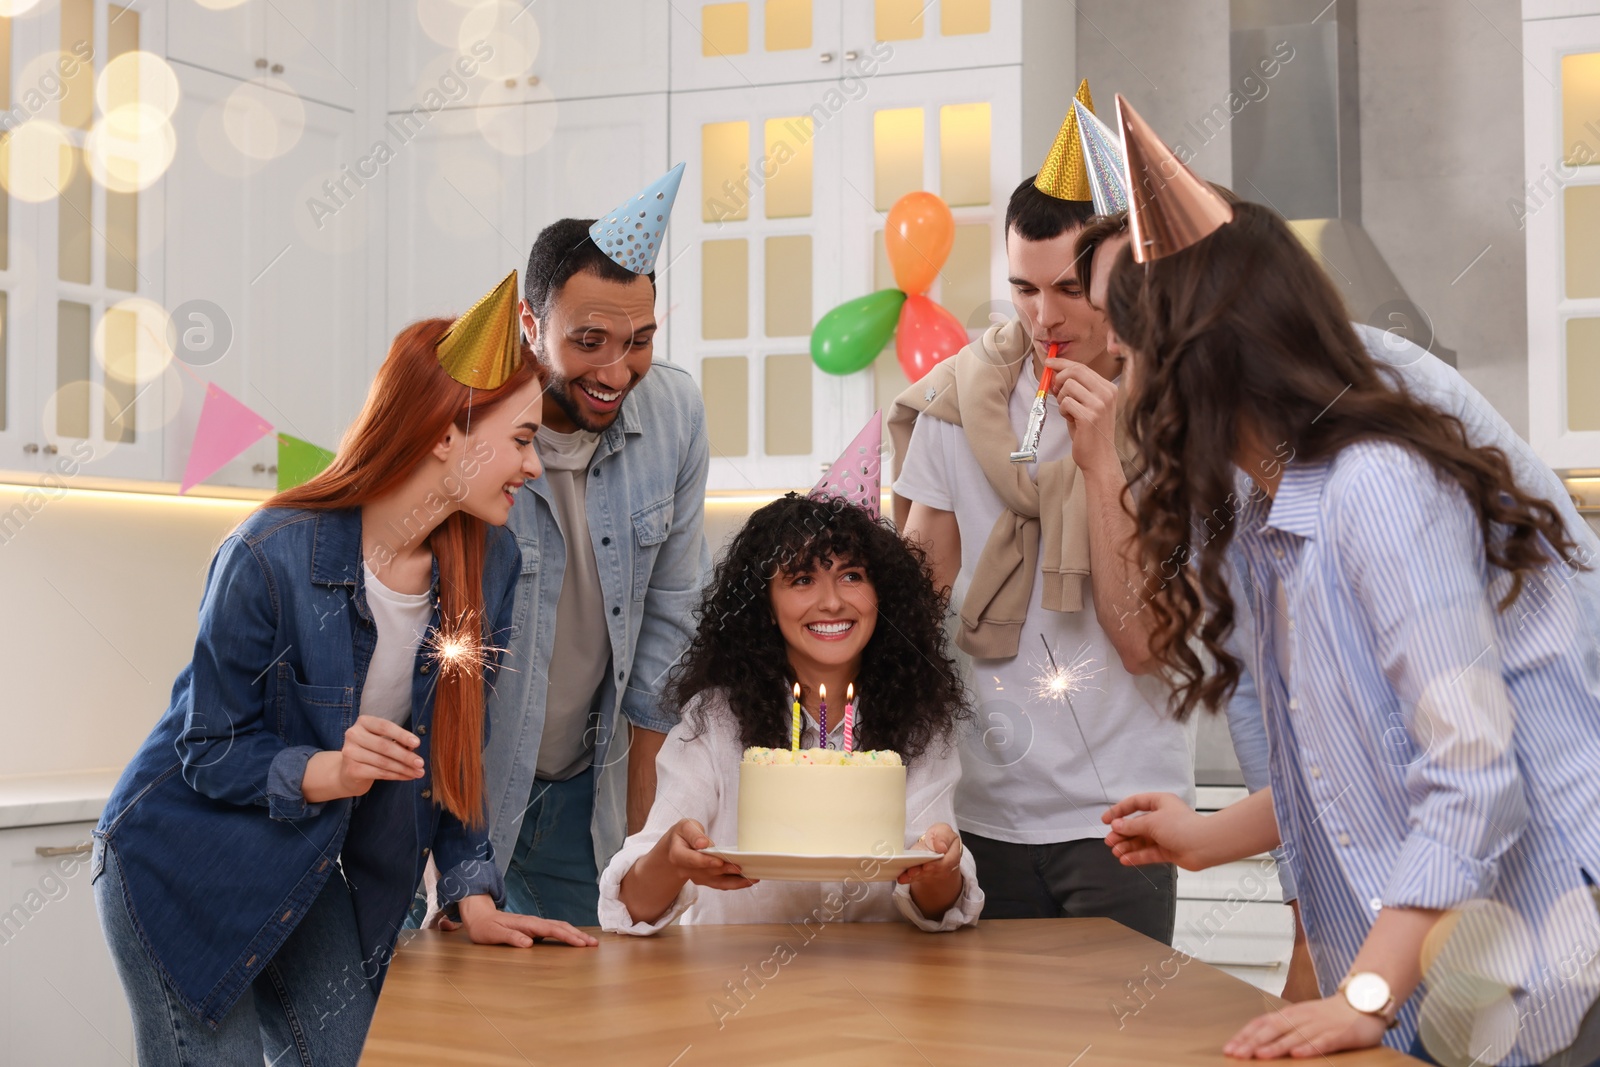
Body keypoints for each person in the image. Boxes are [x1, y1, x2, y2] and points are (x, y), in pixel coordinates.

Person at [1095, 97, 1600, 1064]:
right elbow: (1357, 758)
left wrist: (1364, 995)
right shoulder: (1265, 517)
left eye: (1133, 354)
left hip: (1547, 963)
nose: (1124, 385)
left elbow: (1469, 777)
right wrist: (1210, 835)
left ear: (1196, 357)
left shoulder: (1377, 489)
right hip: (1459, 985)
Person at [93, 274, 596, 1067]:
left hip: (302, 859)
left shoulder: (489, 560)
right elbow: (211, 748)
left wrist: (469, 886)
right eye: (523, 438)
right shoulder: (269, 552)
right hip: (181, 858)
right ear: (445, 434)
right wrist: (330, 768)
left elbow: (460, 740)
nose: (534, 466)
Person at [890, 82, 1193, 943]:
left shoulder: (1182, 418)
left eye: (1068, 289)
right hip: (980, 811)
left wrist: (1100, 464)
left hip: (1128, 812)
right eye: (1022, 288)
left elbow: (1142, 640)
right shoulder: (956, 401)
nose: (1043, 317)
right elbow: (916, 594)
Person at [486, 165, 713, 927]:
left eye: (639, 340)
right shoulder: (468, 423)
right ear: (529, 323)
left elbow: (667, 639)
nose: (618, 371)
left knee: (594, 1015)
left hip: (586, 789)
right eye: (589, 341)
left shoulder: (675, 411)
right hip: (461, 786)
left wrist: (642, 847)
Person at [598, 492, 983, 934]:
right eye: (802, 579)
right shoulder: (715, 719)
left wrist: (939, 869)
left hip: (880, 983)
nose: (833, 602)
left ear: (885, 592)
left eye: (852, 575)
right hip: (734, 980)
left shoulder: (921, 722)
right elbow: (630, 909)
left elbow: (940, 910)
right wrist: (672, 859)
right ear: (764, 602)